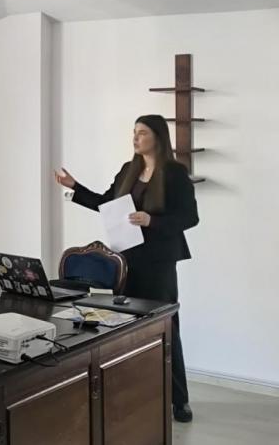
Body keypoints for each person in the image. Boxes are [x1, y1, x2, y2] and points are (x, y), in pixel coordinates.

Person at [55, 114, 199, 423]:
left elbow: (190, 217)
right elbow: (106, 204)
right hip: (128, 260)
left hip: (159, 262)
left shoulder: (174, 173)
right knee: (126, 326)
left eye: (142, 133)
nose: (135, 138)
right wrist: (74, 187)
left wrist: (152, 220)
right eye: (134, 132)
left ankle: (179, 400)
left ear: (157, 137)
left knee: (166, 326)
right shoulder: (127, 170)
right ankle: (135, 392)